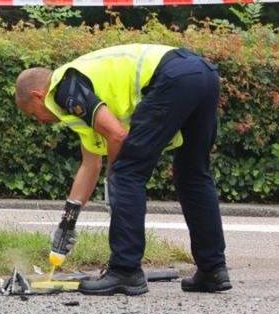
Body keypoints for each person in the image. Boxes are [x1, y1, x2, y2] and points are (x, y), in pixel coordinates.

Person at [14, 43, 230, 295]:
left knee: (126, 173)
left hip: (172, 77)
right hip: (203, 74)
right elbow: (90, 164)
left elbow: (116, 136)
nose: (40, 121)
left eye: (33, 114)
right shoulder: (79, 94)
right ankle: (213, 269)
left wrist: (116, 183)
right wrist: (67, 222)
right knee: (192, 175)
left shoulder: (64, 87)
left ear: (39, 96)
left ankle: (125, 271)